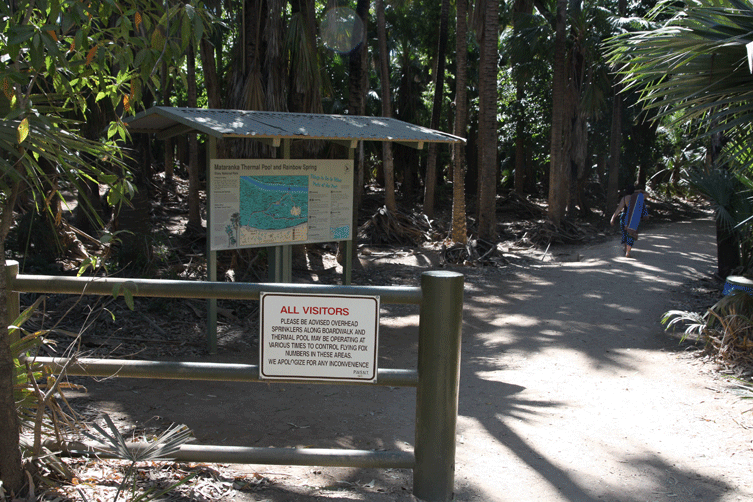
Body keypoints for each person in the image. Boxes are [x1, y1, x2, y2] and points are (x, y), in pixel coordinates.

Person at [610, 185, 648, 258]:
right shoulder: (639, 197)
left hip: (624, 217)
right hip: (634, 217)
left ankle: (625, 248)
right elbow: (647, 194)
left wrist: (613, 218)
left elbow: (619, 209)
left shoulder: (625, 198)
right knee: (631, 233)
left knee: (625, 233)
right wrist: (640, 190)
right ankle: (628, 252)